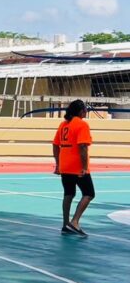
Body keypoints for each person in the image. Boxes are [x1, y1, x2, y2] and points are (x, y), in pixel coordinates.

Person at [53, 99, 94, 236]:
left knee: (68, 194)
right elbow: (82, 146)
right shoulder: (82, 125)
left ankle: (65, 224)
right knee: (89, 193)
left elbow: (55, 144)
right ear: (81, 111)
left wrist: (58, 164)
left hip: (65, 165)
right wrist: (84, 167)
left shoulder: (63, 125)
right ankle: (74, 222)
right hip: (77, 166)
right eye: (85, 110)